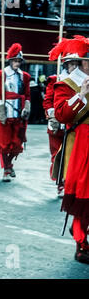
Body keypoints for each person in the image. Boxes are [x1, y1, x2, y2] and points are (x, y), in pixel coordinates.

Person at [52, 35, 89, 264]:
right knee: (82, 199)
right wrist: (81, 95)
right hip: (80, 147)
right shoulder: (65, 85)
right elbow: (62, 115)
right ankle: (81, 242)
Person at [44, 38, 80, 197]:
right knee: (57, 154)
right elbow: (48, 101)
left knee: (71, 156)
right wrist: (53, 117)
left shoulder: (81, 81)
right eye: (70, 64)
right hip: (57, 121)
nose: (72, 67)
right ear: (65, 65)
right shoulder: (56, 80)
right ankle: (60, 183)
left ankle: (68, 183)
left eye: (75, 64)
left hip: (73, 124)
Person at [0, 43, 31, 182]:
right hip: (5, 112)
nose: (17, 63)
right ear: (10, 61)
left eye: (19, 61)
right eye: (14, 60)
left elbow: (27, 94)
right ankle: (6, 169)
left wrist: (26, 107)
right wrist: (0, 111)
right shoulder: (1, 74)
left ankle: (9, 164)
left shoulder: (25, 76)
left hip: (19, 113)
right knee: (4, 143)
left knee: (16, 143)